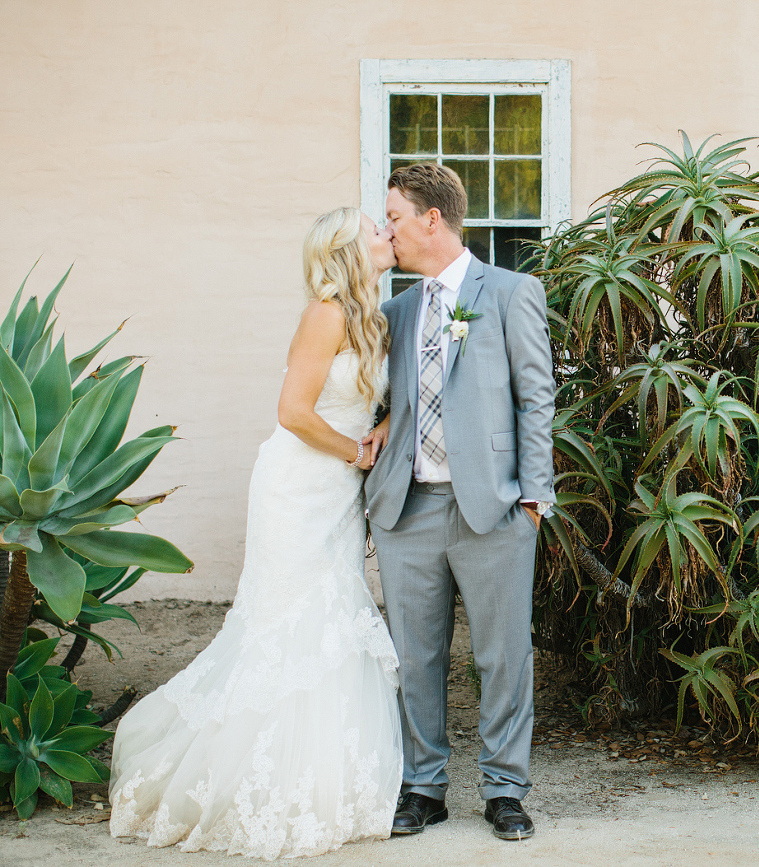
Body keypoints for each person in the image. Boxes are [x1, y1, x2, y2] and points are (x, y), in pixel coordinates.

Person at [108, 208, 403, 859]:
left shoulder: (375, 318)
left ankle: (331, 773)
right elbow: (294, 412)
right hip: (297, 486)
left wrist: (376, 431)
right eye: (374, 228)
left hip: (337, 495)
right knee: (289, 619)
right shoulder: (324, 314)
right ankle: (255, 773)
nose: (387, 232)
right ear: (348, 251)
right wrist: (356, 452)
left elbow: (366, 403)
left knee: (335, 614)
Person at [362, 162, 554, 841]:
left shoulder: (508, 291)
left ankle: (505, 788)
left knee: (502, 655)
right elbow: (378, 399)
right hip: (407, 509)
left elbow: (535, 396)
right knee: (415, 656)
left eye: (394, 216)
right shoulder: (397, 310)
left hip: (495, 509)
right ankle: (423, 785)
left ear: (430, 219)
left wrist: (532, 499)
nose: (389, 229)